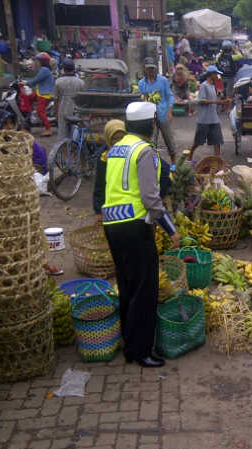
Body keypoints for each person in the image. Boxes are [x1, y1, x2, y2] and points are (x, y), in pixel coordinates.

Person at [102, 102, 180, 368]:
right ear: (150, 124)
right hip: (135, 226)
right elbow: (150, 197)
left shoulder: (116, 149)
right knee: (145, 289)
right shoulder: (144, 151)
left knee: (127, 285)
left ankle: (130, 346)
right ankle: (142, 351)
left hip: (113, 225)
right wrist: (170, 229)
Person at [138, 57, 177, 164]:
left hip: (163, 114)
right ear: (144, 69)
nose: (151, 70)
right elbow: (141, 99)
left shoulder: (163, 80)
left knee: (169, 141)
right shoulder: (141, 83)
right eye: (148, 68)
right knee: (151, 143)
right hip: (150, 117)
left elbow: (170, 96)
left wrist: (169, 111)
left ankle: (174, 164)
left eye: (152, 68)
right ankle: (152, 165)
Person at [189, 65, 230, 160]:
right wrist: (217, 102)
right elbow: (202, 101)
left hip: (214, 118)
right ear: (211, 74)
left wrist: (223, 102)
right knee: (198, 141)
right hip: (204, 119)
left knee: (217, 141)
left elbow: (214, 101)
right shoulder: (204, 86)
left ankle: (217, 160)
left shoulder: (213, 86)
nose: (217, 76)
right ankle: (190, 155)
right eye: (216, 74)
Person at [93, 119, 127, 222]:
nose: (118, 142)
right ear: (108, 139)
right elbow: (99, 185)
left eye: (122, 138)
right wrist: (98, 211)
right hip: (111, 207)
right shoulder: (104, 158)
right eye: (115, 139)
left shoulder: (132, 153)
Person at [54, 58, 85, 140]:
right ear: (73, 69)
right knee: (74, 137)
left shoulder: (58, 82)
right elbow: (82, 100)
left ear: (64, 69)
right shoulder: (81, 82)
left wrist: (55, 113)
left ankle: (64, 151)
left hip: (62, 112)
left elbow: (56, 100)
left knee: (62, 137)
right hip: (76, 112)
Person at [25, 52, 54, 137]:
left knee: (40, 111)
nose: (36, 62)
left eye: (38, 61)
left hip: (44, 94)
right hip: (40, 92)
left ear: (42, 62)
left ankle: (48, 129)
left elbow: (36, 80)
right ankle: (28, 123)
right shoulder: (43, 69)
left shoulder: (44, 70)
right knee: (27, 98)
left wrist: (26, 83)